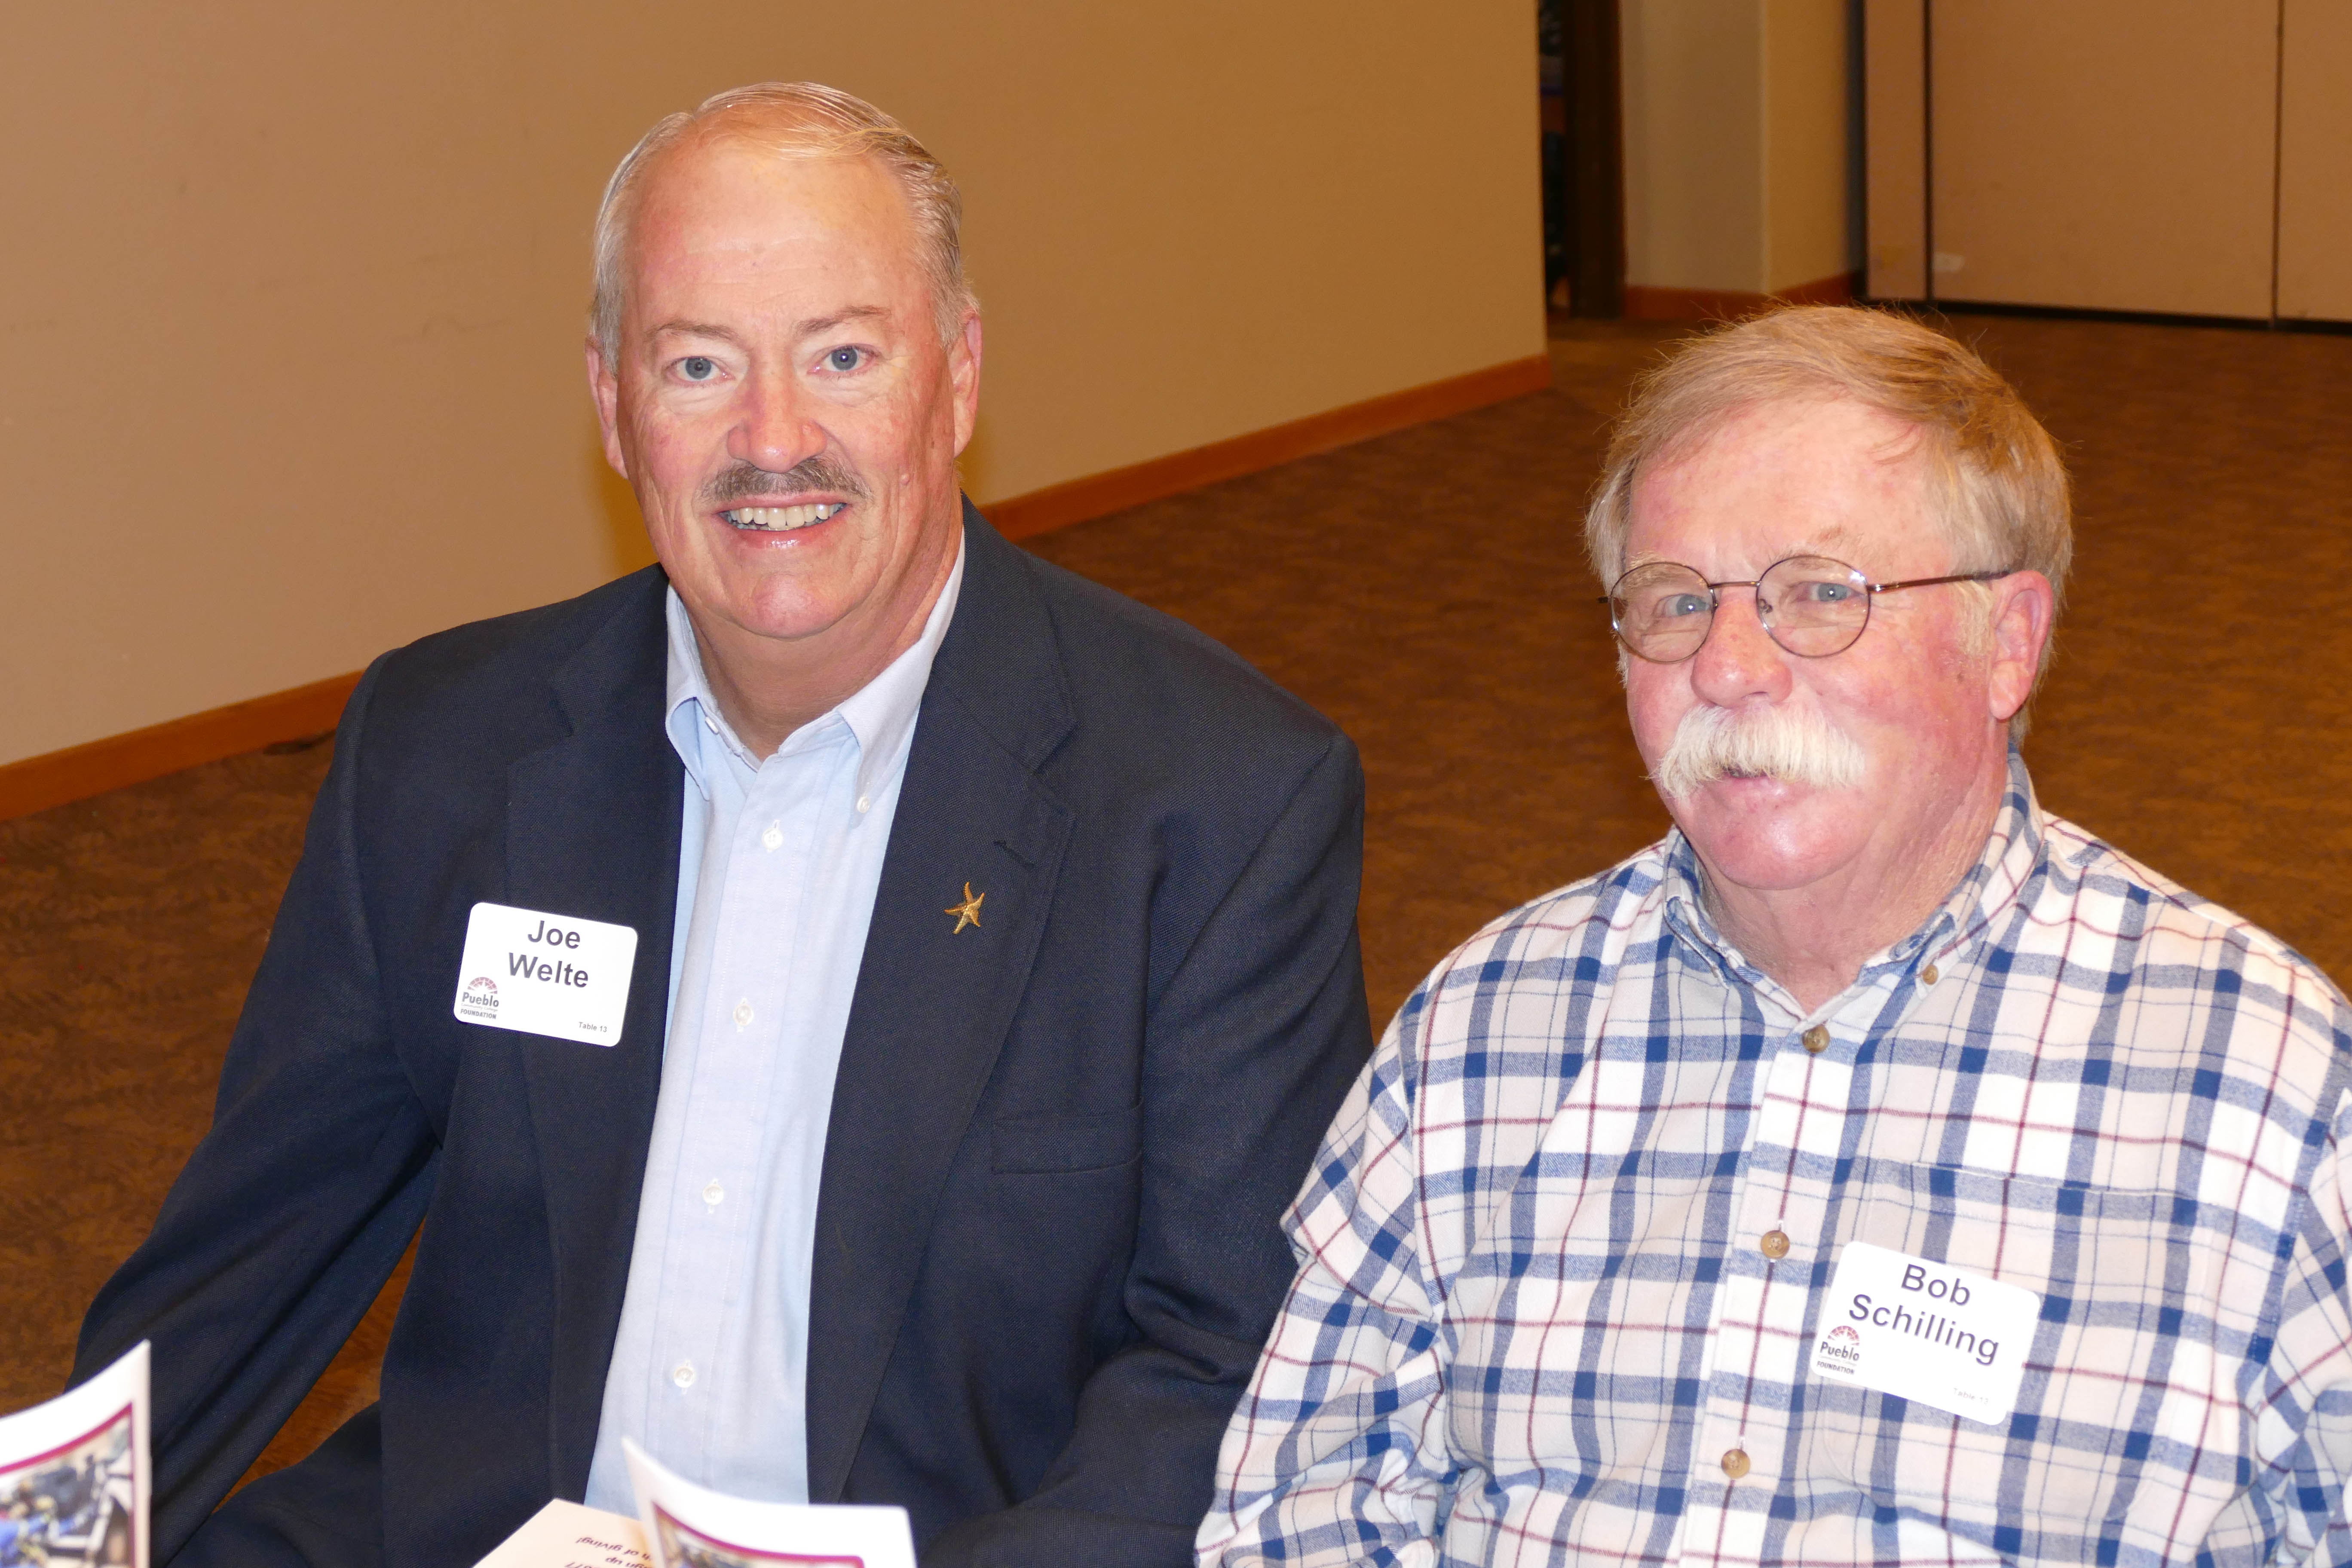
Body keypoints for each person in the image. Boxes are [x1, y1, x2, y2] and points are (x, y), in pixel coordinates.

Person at [72, 82, 1372, 1567]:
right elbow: (250, 1253)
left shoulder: (1213, 801)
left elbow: (1226, 1365)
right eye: (698, 364)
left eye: (843, 355)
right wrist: (57, 1535)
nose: (774, 439)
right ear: (613, 406)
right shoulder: (447, 747)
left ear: (955, 379)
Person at [1198, 306, 2352, 1566]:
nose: (1729, 665)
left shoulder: (2271, 1093)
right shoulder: (1482, 1035)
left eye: (1819, 592)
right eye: (1677, 601)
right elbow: (1298, 1506)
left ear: (2009, 643)